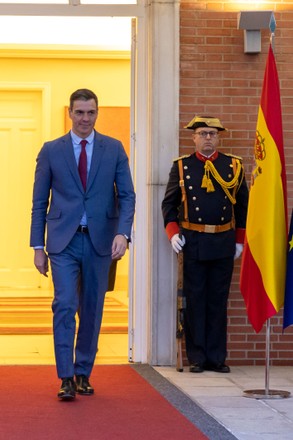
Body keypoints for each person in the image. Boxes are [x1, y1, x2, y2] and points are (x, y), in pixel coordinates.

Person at [30, 88, 135, 400]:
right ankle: (64, 377)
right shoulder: (51, 150)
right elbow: (39, 202)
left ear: (97, 113)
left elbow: (127, 196)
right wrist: (37, 245)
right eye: (79, 112)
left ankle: (82, 373)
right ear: (70, 114)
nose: (85, 118)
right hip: (63, 241)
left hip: (101, 242)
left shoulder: (113, 149)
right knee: (64, 304)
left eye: (90, 112)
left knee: (92, 308)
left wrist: (123, 233)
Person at [162, 116, 248, 373]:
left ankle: (217, 357)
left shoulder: (233, 166)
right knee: (195, 300)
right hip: (194, 241)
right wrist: (173, 233)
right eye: (202, 133)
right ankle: (197, 358)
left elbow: (243, 205)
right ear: (194, 137)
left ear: (219, 137)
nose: (207, 138)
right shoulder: (181, 167)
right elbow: (169, 204)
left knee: (218, 301)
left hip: (223, 241)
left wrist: (239, 240)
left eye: (212, 133)